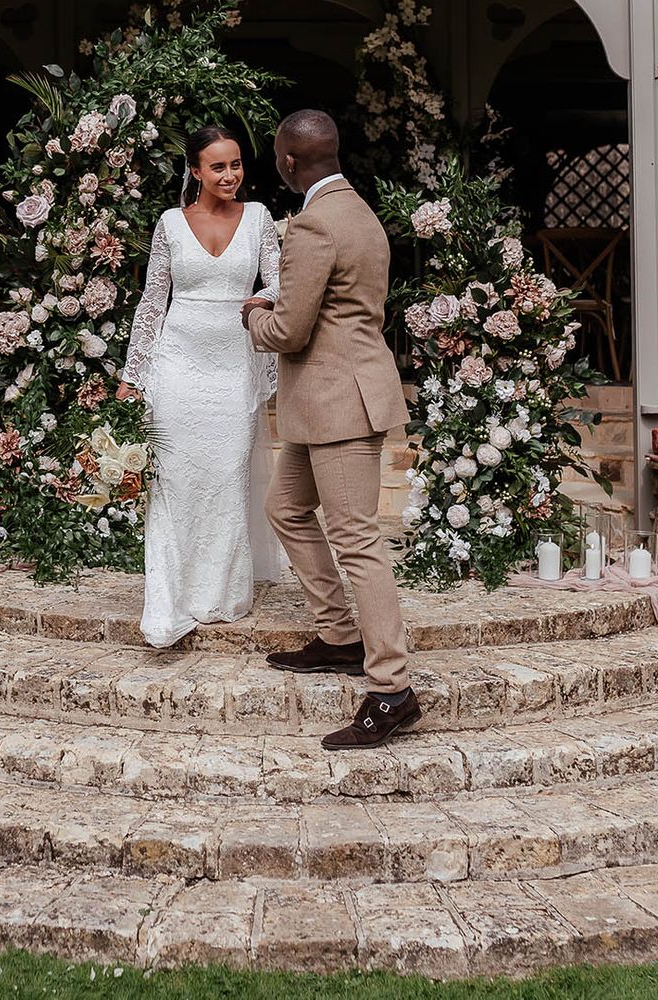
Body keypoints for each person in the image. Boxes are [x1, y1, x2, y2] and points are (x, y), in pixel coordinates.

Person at [241, 109, 422, 750]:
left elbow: (290, 331)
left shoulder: (314, 224)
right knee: (285, 507)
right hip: (331, 398)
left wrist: (253, 318)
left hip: (338, 402)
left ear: (289, 161)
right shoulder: (361, 212)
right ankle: (340, 634)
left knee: (357, 541)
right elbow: (336, 307)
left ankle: (393, 688)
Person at [118, 126, 285, 648]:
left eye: (236, 164)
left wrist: (261, 298)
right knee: (175, 480)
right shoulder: (170, 224)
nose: (231, 175)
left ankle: (223, 592)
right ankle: (170, 597)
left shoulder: (259, 219)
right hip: (177, 362)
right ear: (195, 171)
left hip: (234, 363)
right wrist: (133, 374)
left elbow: (283, 280)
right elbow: (152, 301)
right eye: (218, 167)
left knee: (227, 473)